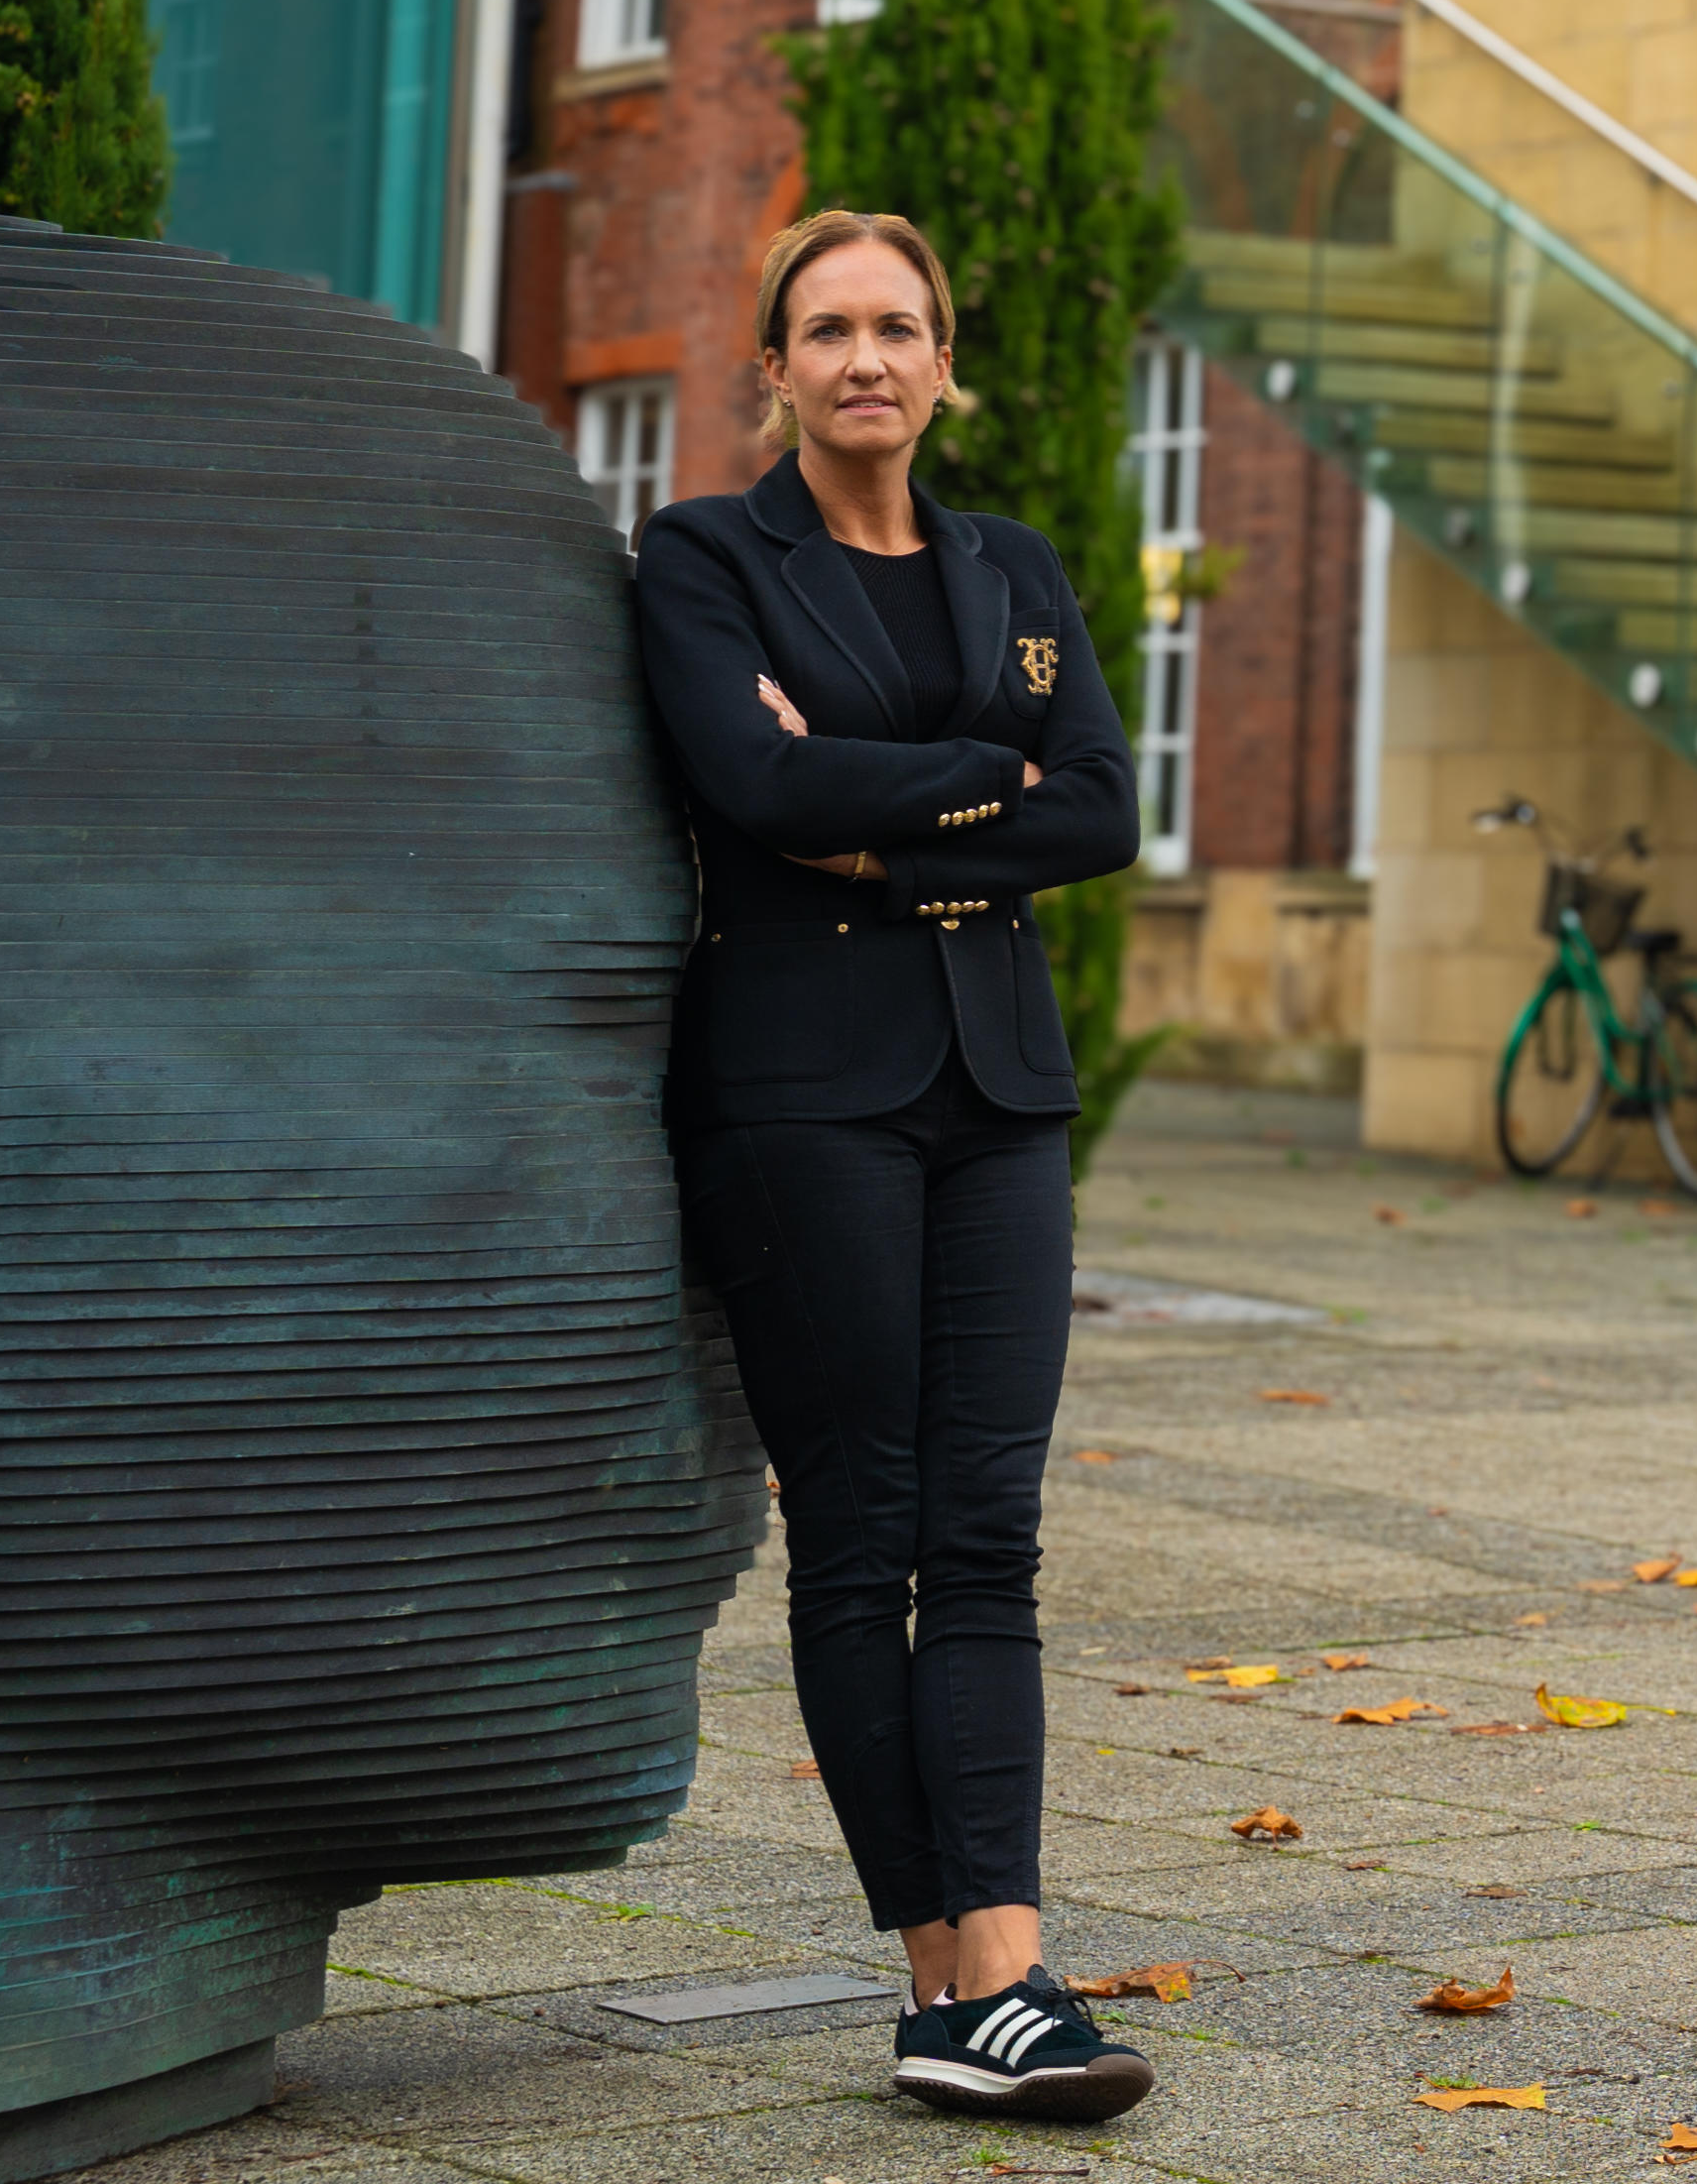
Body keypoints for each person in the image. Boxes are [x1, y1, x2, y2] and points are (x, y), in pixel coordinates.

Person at [631, 210, 1151, 2120]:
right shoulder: (702, 556)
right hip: (800, 1098)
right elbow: (747, 787)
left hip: (996, 1091)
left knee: (986, 1536)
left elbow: (1101, 808)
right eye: (828, 328)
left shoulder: (1012, 565)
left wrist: (879, 831)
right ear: (775, 367)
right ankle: (972, 1980)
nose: (867, 357)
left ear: (946, 366)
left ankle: (971, 1987)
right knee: (863, 1534)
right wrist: (971, 785)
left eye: (901, 327)